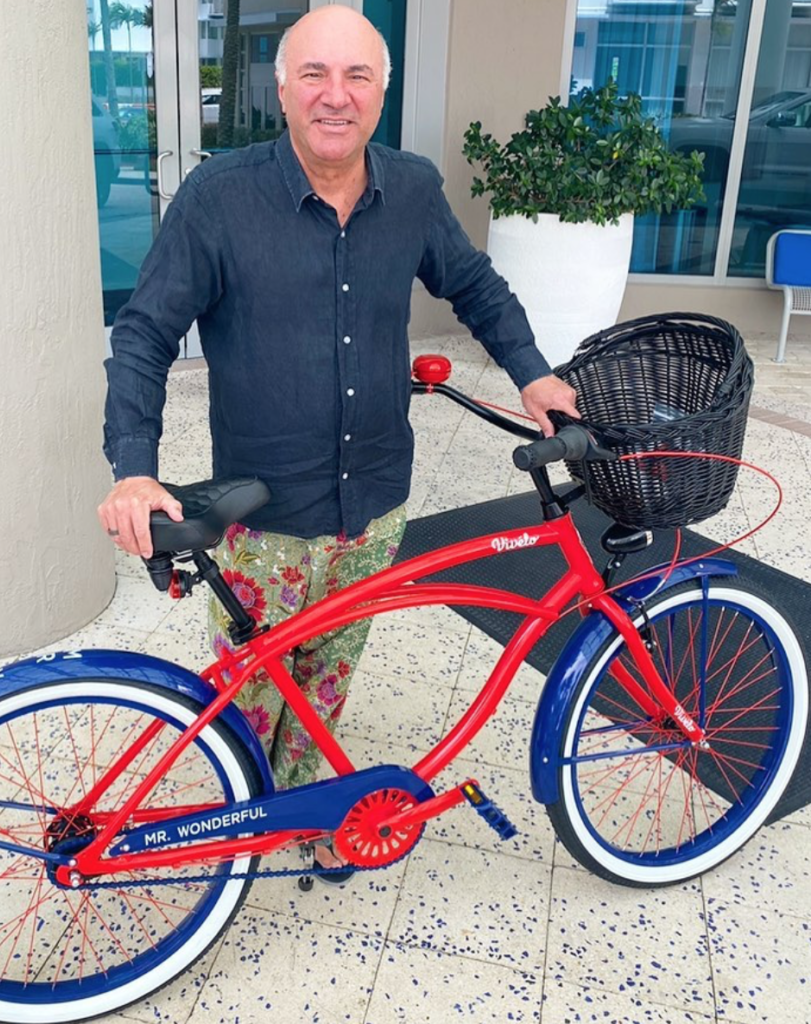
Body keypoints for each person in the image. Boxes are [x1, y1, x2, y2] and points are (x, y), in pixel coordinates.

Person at [99, 6, 578, 878]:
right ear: (279, 90)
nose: (335, 95)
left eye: (356, 76)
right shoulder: (220, 198)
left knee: (324, 681)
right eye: (313, 74)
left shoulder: (413, 189)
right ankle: (234, 839)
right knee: (244, 704)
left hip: (375, 504)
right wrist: (135, 470)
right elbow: (142, 335)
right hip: (264, 514)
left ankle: (300, 815)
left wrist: (533, 373)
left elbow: (473, 284)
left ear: (381, 92)